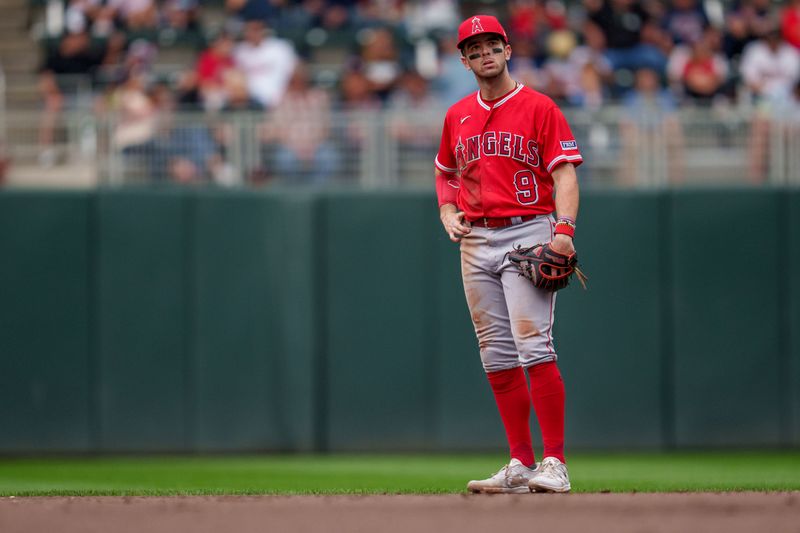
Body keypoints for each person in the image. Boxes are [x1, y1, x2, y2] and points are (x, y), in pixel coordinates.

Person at [435, 14, 582, 494]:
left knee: (533, 344)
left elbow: (564, 174)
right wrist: (447, 209)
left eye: (491, 45)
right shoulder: (457, 114)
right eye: (474, 49)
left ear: (507, 49)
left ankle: (554, 462)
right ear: (463, 59)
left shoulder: (540, 106)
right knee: (495, 354)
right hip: (475, 239)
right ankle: (520, 463)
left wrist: (563, 229)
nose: (484, 54)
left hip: (528, 233)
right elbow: (445, 172)